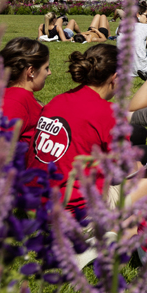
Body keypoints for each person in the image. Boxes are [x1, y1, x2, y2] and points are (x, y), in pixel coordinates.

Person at [29, 43, 120, 215]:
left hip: (35, 202)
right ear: (114, 78)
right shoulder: (108, 113)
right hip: (73, 210)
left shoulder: (57, 100)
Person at [0, 37, 51, 147]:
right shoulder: (15, 102)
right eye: (46, 68)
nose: (49, 72)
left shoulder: (15, 96)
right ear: (31, 71)